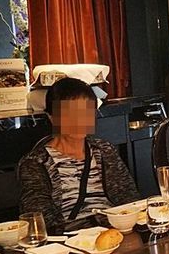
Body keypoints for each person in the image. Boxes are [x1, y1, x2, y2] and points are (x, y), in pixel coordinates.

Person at [18, 78, 140, 233]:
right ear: (52, 116)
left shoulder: (104, 150)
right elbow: (41, 221)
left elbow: (130, 199)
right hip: (69, 242)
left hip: (116, 233)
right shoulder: (35, 163)